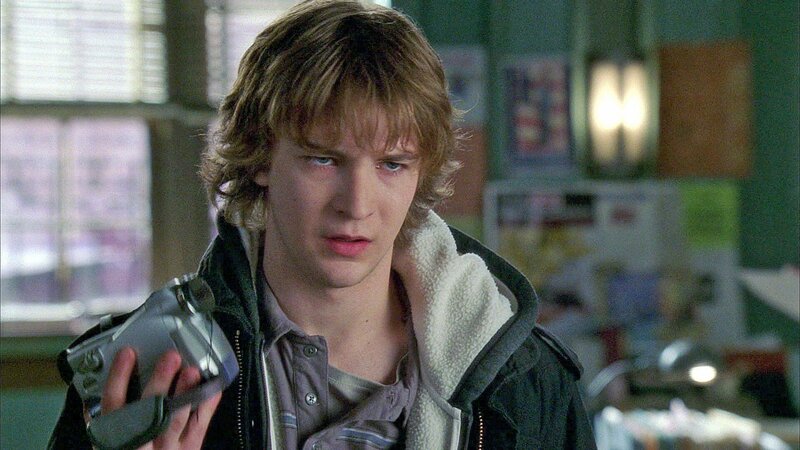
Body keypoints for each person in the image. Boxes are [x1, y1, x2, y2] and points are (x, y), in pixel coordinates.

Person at [49, 1, 596, 448]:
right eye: (323, 159)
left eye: (392, 164)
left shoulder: (527, 384)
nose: (356, 205)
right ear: (261, 157)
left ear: (420, 174)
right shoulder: (143, 376)